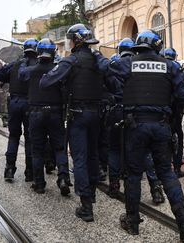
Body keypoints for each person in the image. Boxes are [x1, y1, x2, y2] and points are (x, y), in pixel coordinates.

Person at [93, 30, 184, 240]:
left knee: (134, 175)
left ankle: (132, 221)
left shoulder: (127, 64)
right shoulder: (170, 66)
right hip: (161, 125)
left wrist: (96, 54)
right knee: (166, 172)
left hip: (136, 126)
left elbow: (106, 72)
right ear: (157, 46)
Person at [40, 24, 120, 222]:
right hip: (97, 115)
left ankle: (86, 206)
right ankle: (91, 194)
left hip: (78, 115)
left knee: (81, 158)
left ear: (75, 40)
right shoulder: (98, 60)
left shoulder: (71, 61)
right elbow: (114, 87)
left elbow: (46, 82)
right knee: (93, 156)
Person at [102, 37, 165, 204]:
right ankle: (155, 188)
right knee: (145, 151)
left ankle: (114, 185)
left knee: (114, 149)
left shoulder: (116, 66)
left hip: (117, 111)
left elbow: (106, 87)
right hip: (137, 114)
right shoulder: (140, 65)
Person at [18, 38, 71, 195]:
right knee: (60, 148)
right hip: (55, 113)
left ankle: (39, 183)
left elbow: (21, 75)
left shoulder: (30, 71)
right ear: (54, 52)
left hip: (36, 113)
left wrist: (24, 60)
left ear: (38, 52)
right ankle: (63, 178)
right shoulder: (58, 69)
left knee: (37, 149)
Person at [0, 38, 39, 182]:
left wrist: (10, 77)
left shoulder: (15, 64)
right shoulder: (38, 65)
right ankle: (30, 172)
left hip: (14, 103)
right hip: (30, 104)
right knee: (30, 138)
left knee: (14, 136)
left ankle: (9, 168)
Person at [162, 47, 184, 177]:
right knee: (178, 134)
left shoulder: (160, 65)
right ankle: (177, 167)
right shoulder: (177, 67)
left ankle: (163, 163)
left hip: (163, 109)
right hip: (176, 109)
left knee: (163, 137)